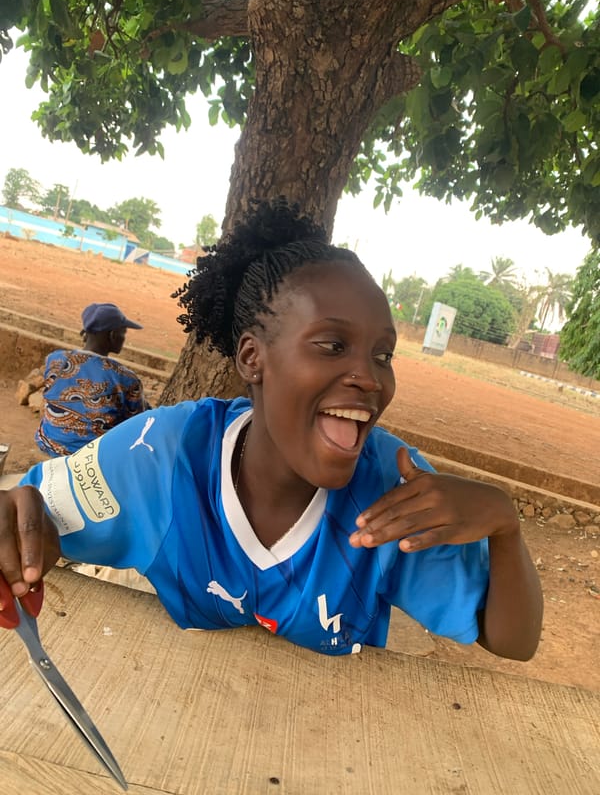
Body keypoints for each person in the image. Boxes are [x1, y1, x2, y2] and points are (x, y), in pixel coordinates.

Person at [0, 199, 542, 660]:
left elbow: (512, 642)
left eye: (383, 355)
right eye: (332, 345)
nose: (370, 378)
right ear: (253, 358)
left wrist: (503, 523)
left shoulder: (394, 499)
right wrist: (19, 523)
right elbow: (33, 515)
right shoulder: (162, 457)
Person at [34, 302, 148, 456]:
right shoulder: (125, 378)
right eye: (123, 332)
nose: (123, 338)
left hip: (48, 443)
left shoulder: (55, 360)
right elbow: (136, 425)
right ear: (113, 335)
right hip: (90, 459)